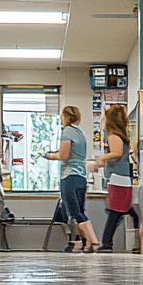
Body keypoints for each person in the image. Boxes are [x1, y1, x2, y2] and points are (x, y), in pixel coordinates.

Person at [45, 105, 99, 253]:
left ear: (66, 117)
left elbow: (63, 155)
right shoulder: (80, 133)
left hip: (69, 176)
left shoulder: (67, 131)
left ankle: (94, 241)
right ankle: (86, 243)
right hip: (82, 177)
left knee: (75, 212)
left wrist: (49, 156)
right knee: (80, 210)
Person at [92, 104, 140, 253]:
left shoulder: (113, 136)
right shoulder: (122, 135)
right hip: (123, 177)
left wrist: (102, 158)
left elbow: (117, 153)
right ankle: (140, 237)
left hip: (118, 177)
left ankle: (107, 243)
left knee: (115, 211)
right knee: (125, 210)